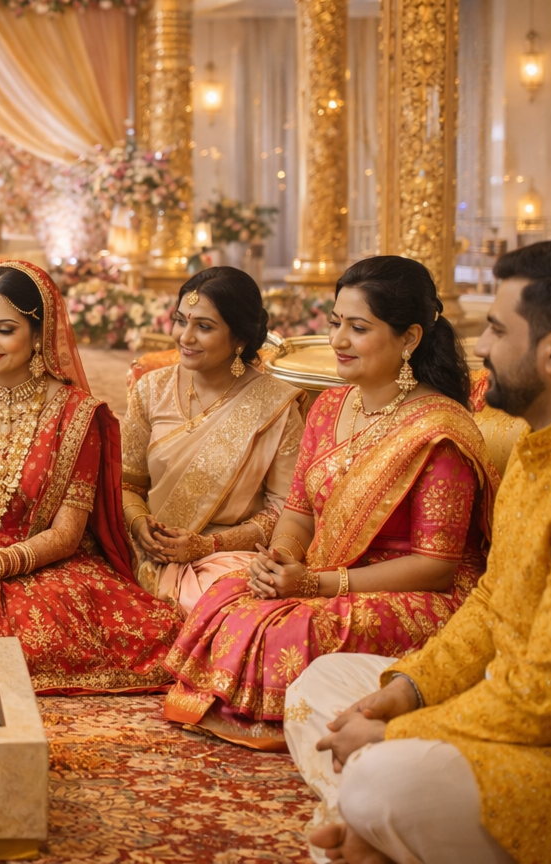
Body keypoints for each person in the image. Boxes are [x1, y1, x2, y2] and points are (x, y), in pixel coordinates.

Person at [286, 240, 551, 864]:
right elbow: (493, 599)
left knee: (386, 778)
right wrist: (406, 690)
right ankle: (370, 828)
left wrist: (397, 732)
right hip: (515, 713)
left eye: (495, 328)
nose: (481, 348)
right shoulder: (546, 442)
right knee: (323, 685)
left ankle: (367, 820)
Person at [163, 256, 498, 750]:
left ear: (409, 338)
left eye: (358, 328)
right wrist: (280, 558)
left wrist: (317, 584)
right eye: (336, 323)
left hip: (416, 591)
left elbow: (436, 568)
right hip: (324, 570)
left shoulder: (438, 434)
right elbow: (297, 513)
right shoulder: (329, 407)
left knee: (291, 629)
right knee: (229, 595)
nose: (338, 341)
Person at [0, 262, 182, 692]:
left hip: (49, 563)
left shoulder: (78, 414)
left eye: (4, 329)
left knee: (35, 637)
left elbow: (68, 534)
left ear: (39, 334)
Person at [121, 266, 307, 611]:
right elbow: (127, 483)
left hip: (226, 559)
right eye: (181, 320)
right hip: (145, 550)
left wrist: (207, 546)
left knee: (224, 611)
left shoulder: (275, 406)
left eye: (203, 327)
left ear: (239, 338)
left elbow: (285, 511)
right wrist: (138, 523)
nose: (184, 337)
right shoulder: (151, 389)